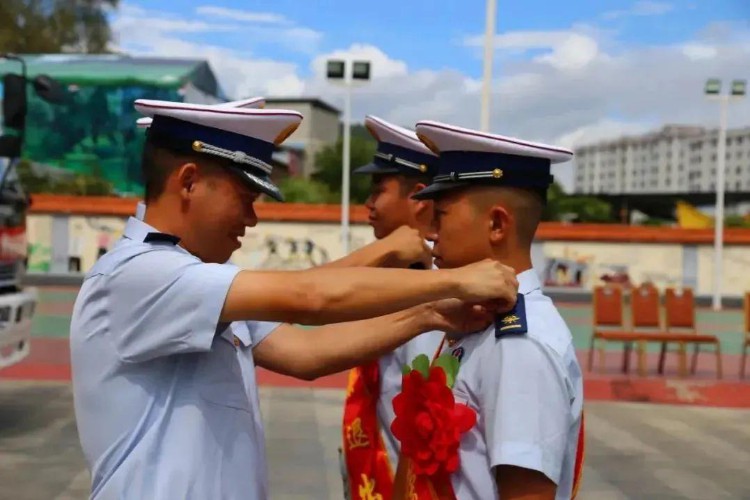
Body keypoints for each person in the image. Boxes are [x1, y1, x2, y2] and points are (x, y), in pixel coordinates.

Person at [69, 99, 521, 500]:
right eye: (245, 198)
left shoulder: (197, 279)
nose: (251, 219)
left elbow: (303, 352)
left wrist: (428, 314)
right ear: (189, 182)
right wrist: (457, 281)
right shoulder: (140, 274)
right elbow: (307, 297)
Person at [392, 120, 584, 500]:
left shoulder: (519, 344)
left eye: (442, 215)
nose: (430, 232)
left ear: (497, 224)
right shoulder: (476, 319)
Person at [338, 115, 445, 499]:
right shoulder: (398, 272)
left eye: (378, 190)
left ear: (417, 197)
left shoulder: (431, 283)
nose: (368, 204)